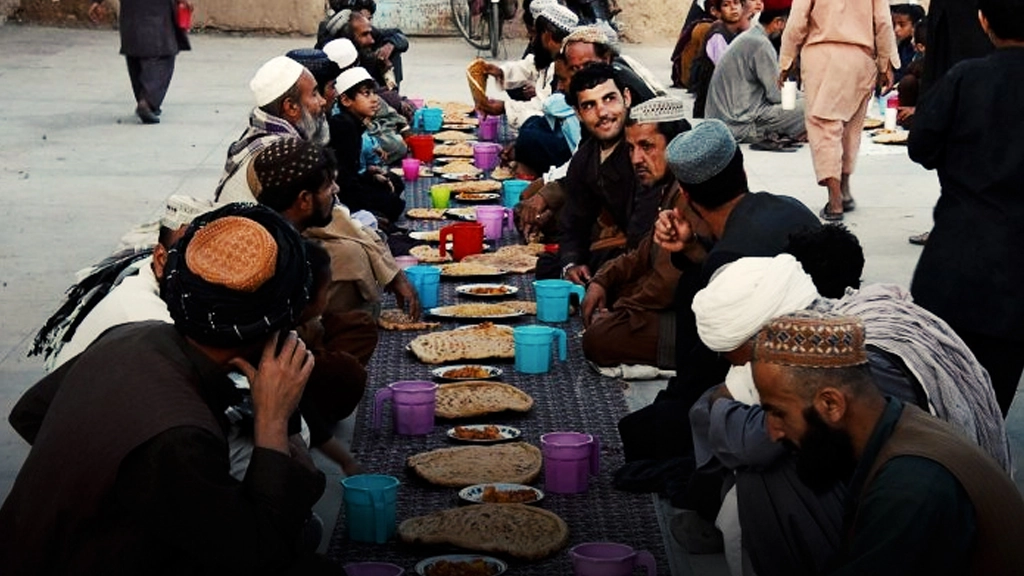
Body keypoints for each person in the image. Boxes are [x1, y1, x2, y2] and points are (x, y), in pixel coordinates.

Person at [0, 204, 342, 575]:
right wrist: (274, 422)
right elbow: (262, 554)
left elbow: (30, 414)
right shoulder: (178, 436)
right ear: (281, 322)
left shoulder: (135, 335)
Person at [617, 119, 818, 486]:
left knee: (640, 433)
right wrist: (694, 249)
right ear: (741, 168)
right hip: (818, 364)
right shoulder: (788, 207)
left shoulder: (729, 265)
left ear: (688, 196)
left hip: (776, 397)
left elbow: (707, 376)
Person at [750, 312, 1024, 575]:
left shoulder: (911, 485)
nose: (773, 433)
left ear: (831, 404)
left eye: (778, 413)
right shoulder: (898, 424)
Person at [908, 0, 1024, 417]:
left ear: (984, 20)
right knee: (995, 398)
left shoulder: (965, 77)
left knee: (941, 396)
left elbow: (921, 146)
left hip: (956, 265)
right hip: (1015, 280)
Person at [251, 138, 379, 475]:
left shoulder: (289, 232)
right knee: (345, 373)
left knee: (359, 327)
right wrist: (342, 457)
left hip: (302, 335)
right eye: (328, 185)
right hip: (273, 363)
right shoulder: (274, 260)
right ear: (304, 199)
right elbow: (269, 354)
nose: (336, 190)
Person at [580, 96, 691, 369]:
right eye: (631, 149)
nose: (636, 159)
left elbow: (666, 284)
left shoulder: (687, 192)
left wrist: (620, 313)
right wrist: (602, 280)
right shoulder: (667, 187)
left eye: (647, 146)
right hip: (670, 303)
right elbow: (644, 251)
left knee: (599, 339)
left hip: (693, 321)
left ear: (674, 145)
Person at [43, 195, 214, 370]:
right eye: (193, 263)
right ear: (161, 259)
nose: (208, 275)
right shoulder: (143, 317)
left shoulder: (152, 275)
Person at [780, 0, 898, 220]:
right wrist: (886, 63)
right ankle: (844, 189)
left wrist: (786, 60)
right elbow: (883, 22)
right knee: (851, 129)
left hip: (821, 57)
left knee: (825, 129)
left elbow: (797, 21)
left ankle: (834, 201)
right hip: (860, 59)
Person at [556, 62, 661, 285]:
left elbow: (644, 233)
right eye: (589, 105)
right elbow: (573, 223)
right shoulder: (585, 159)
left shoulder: (648, 151)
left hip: (654, 253)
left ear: (627, 98)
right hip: (622, 251)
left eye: (609, 99)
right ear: (578, 113)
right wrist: (571, 263)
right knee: (553, 265)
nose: (602, 112)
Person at [215, 56, 328, 203]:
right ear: (291, 107)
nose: (323, 101)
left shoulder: (256, 133)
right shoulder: (285, 155)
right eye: (314, 94)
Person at [706, 0, 806, 146]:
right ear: (778, 22)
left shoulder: (751, 37)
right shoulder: (760, 44)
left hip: (729, 119)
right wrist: (806, 97)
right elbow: (776, 95)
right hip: (740, 125)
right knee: (813, 105)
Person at [88, 0, 191, 124]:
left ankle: (146, 101)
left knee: (135, 49)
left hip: (131, 9)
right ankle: (147, 102)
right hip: (159, 10)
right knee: (162, 55)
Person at [327, 67, 406, 225]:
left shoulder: (355, 123)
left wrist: (370, 175)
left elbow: (352, 170)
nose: (375, 99)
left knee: (395, 181)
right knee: (394, 204)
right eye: (366, 94)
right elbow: (345, 181)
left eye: (374, 92)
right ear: (346, 100)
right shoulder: (344, 125)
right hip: (341, 194)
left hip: (352, 183)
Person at [691, 0, 751, 118]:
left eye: (736, 3)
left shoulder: (737, 31)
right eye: (726, 5)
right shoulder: (718, 35)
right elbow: (727, 70)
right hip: (713, 103)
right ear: (715, 11)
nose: (733, 8)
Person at [890, 3, 926, 83]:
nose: (896, 30)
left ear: (914, 26)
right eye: (894, 25)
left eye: (902, 25)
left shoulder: (918, 50)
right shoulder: (902, 46)